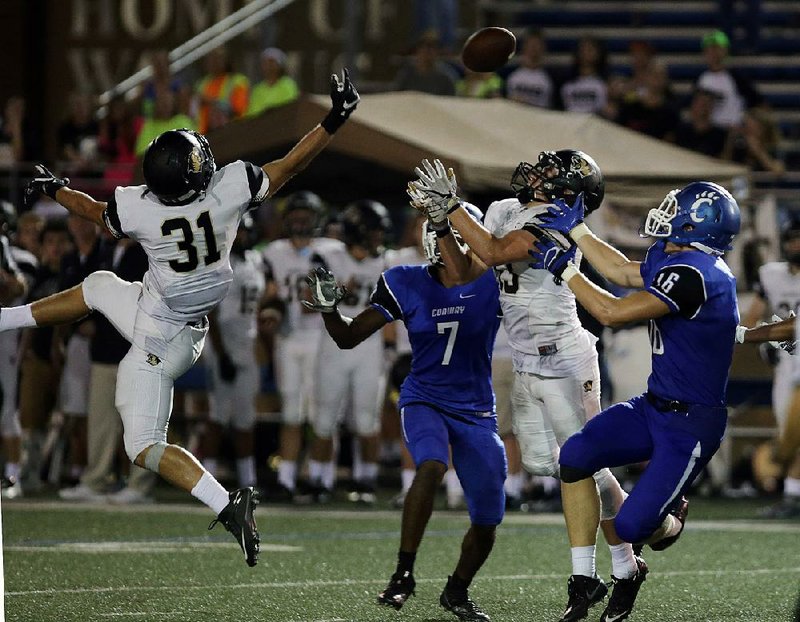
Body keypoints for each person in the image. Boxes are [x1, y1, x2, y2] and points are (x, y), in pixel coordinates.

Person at [11, 69, 360, 567]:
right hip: (180, 327)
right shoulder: (230, 189)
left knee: (143, 447)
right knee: (98, 287)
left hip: (155, 337)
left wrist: (54, 189)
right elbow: (289, 167)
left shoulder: (141, 210)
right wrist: (334, 119)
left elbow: (92, 210)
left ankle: (227, 504)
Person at [410, 155, 633, 622]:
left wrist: (452, 208)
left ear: (571, 191)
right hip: (527, 360)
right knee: (540, 464)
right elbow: (468, 271)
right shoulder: (504, 209)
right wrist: (443, 224)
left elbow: (493, 252)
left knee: (580, 464)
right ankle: (638, 528)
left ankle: (612, 568)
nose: (538, 174)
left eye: (553, 174)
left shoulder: (557, 223)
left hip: (567, 360)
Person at [527, 180, 741, 621]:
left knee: (633, 527)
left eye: (676, 208)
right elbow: (624, 270)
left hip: (692, 426)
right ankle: (585, 578)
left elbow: (612, 312)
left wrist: (567, 271)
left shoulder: (698, 274)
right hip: (653, 405)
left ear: (698, 224)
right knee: (576, 454)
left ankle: (672, 521)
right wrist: (580, 232)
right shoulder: (675, 256)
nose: (665, 213)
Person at [302, 202, 504, 621]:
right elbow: (349, 336)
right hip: (425, 396)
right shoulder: (405, 281)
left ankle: (456, 591)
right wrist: (327, 311)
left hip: (476, 409)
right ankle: (403, 573)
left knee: (487, 518)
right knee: (429, 466)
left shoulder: (495, 281)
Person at [305, 200, 393, 503]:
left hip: (371, 348)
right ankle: (319, 478)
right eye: (376, 230)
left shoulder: (386, 262)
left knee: (368, 419)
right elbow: (310, 294)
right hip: (333, 345)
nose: (380, 236)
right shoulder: (329, 255)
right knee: (325, 417)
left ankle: (365, 480)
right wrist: (337, 290)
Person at [260, 190, 337, 499]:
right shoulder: (273, 252)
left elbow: (330, 297)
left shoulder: (331, 251)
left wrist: (318, 299)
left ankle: (321, 479)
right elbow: (270, 294)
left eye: (306, 217)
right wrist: (271, 311)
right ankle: (288, 479)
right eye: (295, 216)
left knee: (322, 414)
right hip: (288, 338)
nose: (300, 222)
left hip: (321, 338)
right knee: (291, 412)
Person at [740, 215, 800, 517]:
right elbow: (751, 320)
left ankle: (791, 492)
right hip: (789, 363)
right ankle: (792, 493)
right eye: (792, 238)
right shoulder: (771, 275)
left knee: (794, 431)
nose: (796, 245)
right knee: (789, 428)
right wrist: (764, 343)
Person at [201, 214, 265, 491]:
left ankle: (248, 480)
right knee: (218, 415)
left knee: (245, 417)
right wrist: (221, 353)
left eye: (246, 233)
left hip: (246, 346)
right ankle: (205, 478)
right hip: (223, 346)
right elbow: (211, 314)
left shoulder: (256, 261)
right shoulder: (218, 265)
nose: (242, 238)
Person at [505, 29, 555, 109]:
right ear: (524, 47)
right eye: (531, 44)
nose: (533, 48)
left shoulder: (550, 79)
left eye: (537, 44)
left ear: (543, 48)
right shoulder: (511, 77)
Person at [246, 48, 300, 117]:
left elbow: (290, 109)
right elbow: (252, 114)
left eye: (271, 62)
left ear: (279, 65)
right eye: (265, 62)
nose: (268, 66)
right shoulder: (257, 89)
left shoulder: (288, 85)